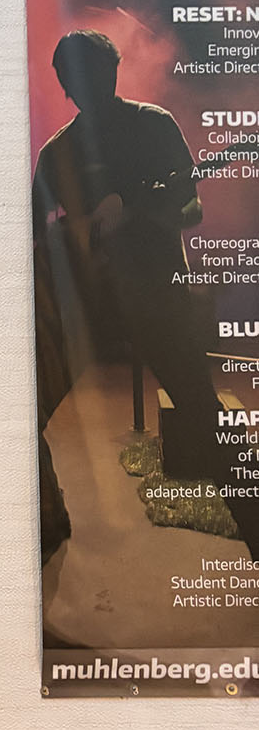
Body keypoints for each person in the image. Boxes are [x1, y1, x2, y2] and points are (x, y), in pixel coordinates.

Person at [32, 29, 259, 558]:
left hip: (158, 296)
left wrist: (132, 210)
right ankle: (50, 516)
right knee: (26, 414)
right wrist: (71, 236)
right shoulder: (56, 154)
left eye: (103, 72)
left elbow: (192, 208)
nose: (96, 84)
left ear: (114, 71)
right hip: (91, 306)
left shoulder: (152, 126)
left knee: (206, 420)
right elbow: (34, 236)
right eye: (81, 77)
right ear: (67, 85)